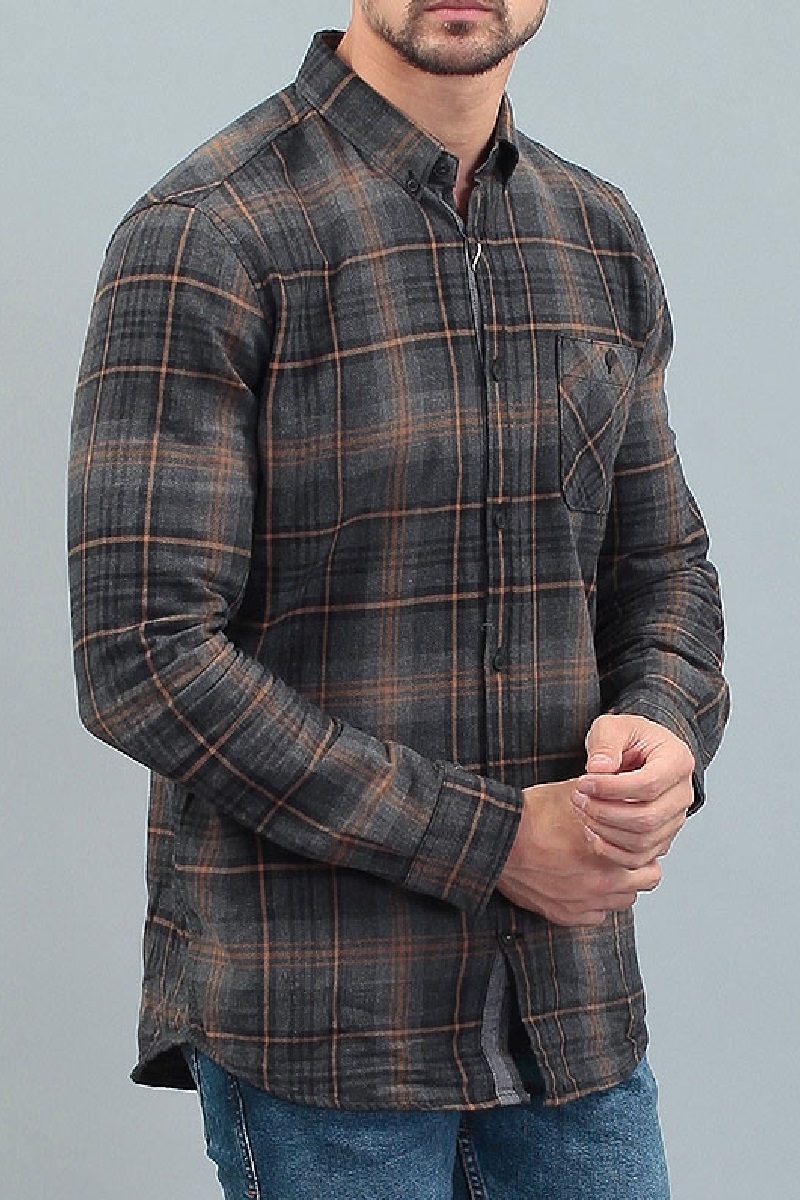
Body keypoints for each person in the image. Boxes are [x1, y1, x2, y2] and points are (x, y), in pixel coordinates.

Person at [68, 2, 729, 1197]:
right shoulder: (206, 232)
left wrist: (666, 722)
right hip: (323, 1031)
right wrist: (494, 843)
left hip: (569, 1022)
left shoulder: (594, 231)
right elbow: (143, 655)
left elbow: (661, 562)